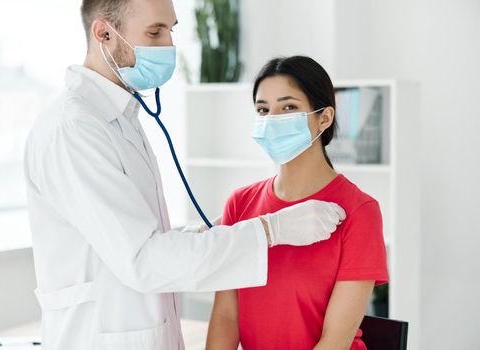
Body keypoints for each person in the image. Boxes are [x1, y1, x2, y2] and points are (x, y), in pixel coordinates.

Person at [23, 1, 346, 349]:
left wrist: (207, 234)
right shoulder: (74, 129)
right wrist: (271, 230)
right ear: (104, 33)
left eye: (171, 30)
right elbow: (143, 260)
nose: (169, 47)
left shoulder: (118, 119)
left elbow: (138, 238)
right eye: (154, 32)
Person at [206, 56, 389, 350]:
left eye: (288, 107)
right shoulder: (239, 204)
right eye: (263, 109)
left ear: (324, 118)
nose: (272, 119)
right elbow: (227, 316)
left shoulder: (359, 211)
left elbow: (335, 340)